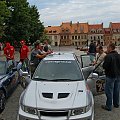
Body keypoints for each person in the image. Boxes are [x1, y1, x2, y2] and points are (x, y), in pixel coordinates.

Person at [102, 43, 120, 111]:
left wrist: (105, 58)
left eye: (107, 47)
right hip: (118, 76)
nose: (106, 49)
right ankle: (116, 104)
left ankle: (109, 106)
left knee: (109, 91)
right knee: (117, 90)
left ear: (110, 48)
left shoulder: (108, 56)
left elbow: (105, 66)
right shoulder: (118, 55)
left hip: (110, 76)